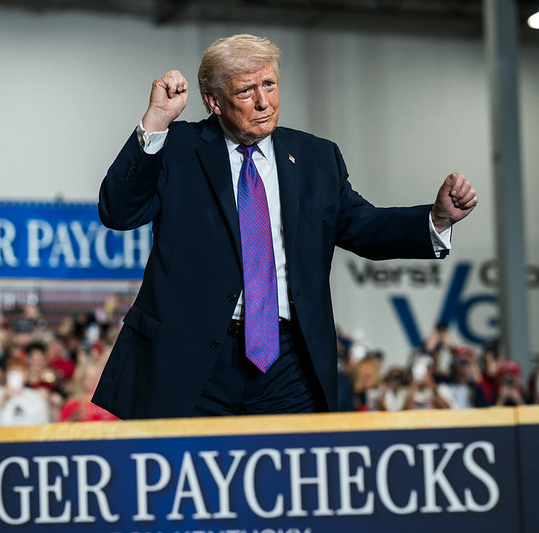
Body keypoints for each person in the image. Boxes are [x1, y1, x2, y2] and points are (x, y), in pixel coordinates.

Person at [93, 33, 478, 420]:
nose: (263, 101)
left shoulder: (316, 158)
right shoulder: (177, 147)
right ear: (214, 101)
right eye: (246, 91)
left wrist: (437, 218)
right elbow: (119, 212)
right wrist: (156, 121)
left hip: (289, 364)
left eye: (269, 84)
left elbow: (362, 226)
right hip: (192, 362)